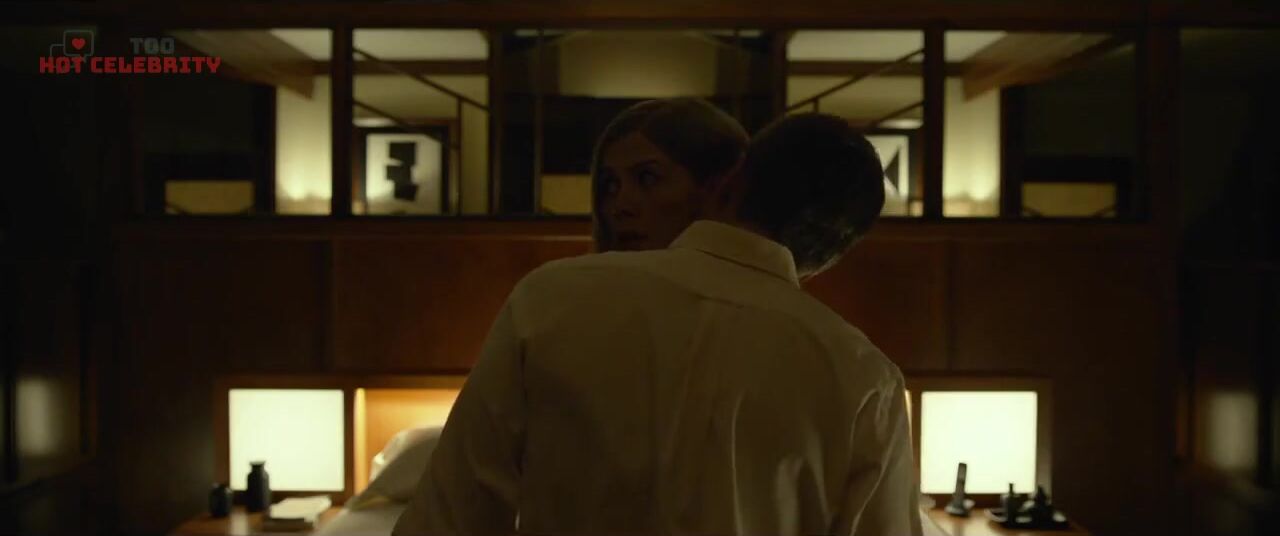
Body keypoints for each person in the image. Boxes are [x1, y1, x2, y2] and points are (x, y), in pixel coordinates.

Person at [392, 104, 921, 536]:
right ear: (830, 255)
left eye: (647, 178)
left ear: (724, 182)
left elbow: (449, 516)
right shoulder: (860, 376)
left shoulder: (550, 299)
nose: (622, 205)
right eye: (610, 185)